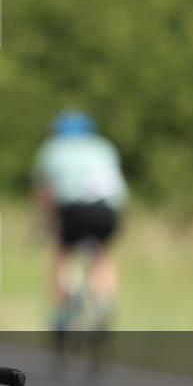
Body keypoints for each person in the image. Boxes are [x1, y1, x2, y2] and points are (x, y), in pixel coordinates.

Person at [33, 111, 127, 334]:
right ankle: (103, 300)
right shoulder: (104, 147)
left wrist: (45, 222)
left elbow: (45, 193)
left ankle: (62, 309)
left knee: (63, 253)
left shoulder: (52, 149)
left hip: (73, 209)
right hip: (107, 210)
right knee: (102, 254)